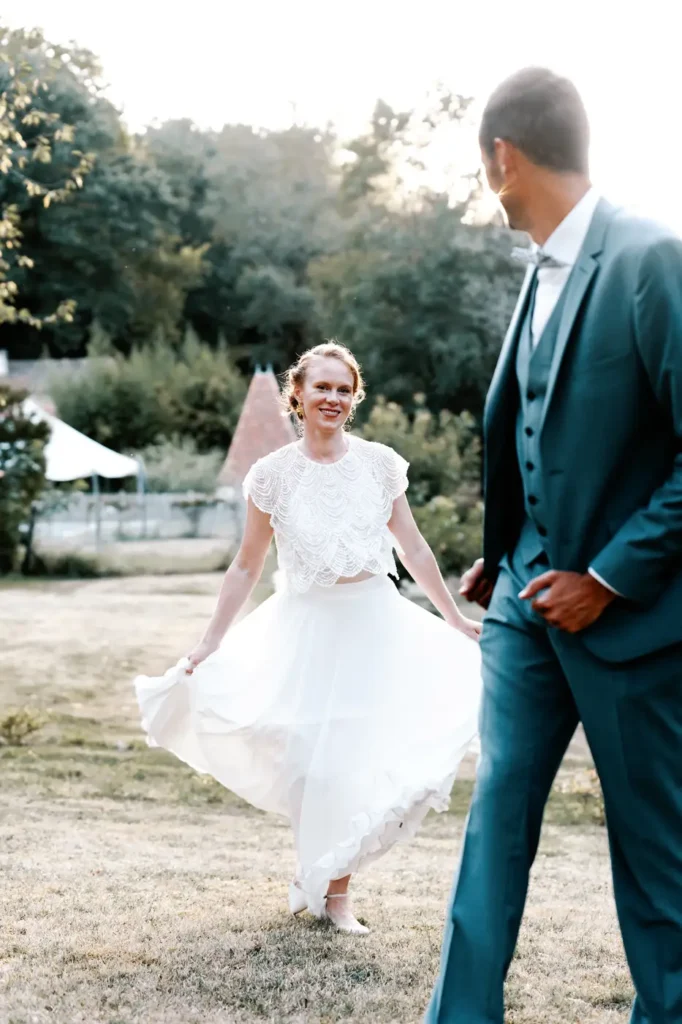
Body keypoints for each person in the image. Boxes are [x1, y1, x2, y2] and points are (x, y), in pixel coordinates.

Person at [426, 67, 682, 1023]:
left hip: (634, 624)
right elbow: (539, 434)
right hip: (524, 612)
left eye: (481, 164)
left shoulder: (656, 257)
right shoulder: (536, 271)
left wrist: (609, 578)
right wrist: (507, 548)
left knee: (657, 856)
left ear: (503, 158)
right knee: (493, 827)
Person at [135, 342, 481, 935]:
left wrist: (452, 616)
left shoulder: (379, 464)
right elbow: (246, 565)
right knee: (309, 766)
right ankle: (316, 875)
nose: (333, 399)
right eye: (322, 387)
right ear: (297, 394)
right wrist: (210, 641)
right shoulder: (271, 476)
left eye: (344, 390)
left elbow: (414, 547)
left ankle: (333, 891)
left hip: (376, 624)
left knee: (356, 759)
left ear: (355, 397)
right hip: (306, 629)